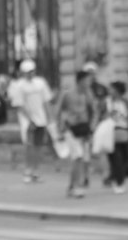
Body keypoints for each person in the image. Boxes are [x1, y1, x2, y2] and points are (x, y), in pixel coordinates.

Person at [10, 58, 53, 182]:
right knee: (30, 146)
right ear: (23, 72)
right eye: (28, 71)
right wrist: (30, 119)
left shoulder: (41, 83)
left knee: (38, 146)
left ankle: (35, 170)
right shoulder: (19, 85)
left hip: (41, 119)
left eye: (32, 71)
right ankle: (27, 171)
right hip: (27, 121)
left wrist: (50, 118)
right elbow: (19, 105)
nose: (30, 73)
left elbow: (46, 101)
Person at [54, 69, 95, 197]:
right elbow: (58, 111)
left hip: (82, 129)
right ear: (81, 81)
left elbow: (93, 110)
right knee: (77, 156)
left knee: (81, 158)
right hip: (70, 128)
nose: (89, 83)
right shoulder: (67, 93)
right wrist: (58, 129)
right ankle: (75, 186)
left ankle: (73, 185)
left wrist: (91, 126)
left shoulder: (88, 94)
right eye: (87, 80)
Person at [106, 80, 128, 192]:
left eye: (111, 89)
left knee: (126, 158)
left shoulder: (126, 103)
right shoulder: (107, 102)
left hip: (125, 132)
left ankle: (114, 177)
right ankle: (119, 182)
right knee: (116, 158)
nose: (110, 91)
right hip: (111, 132)